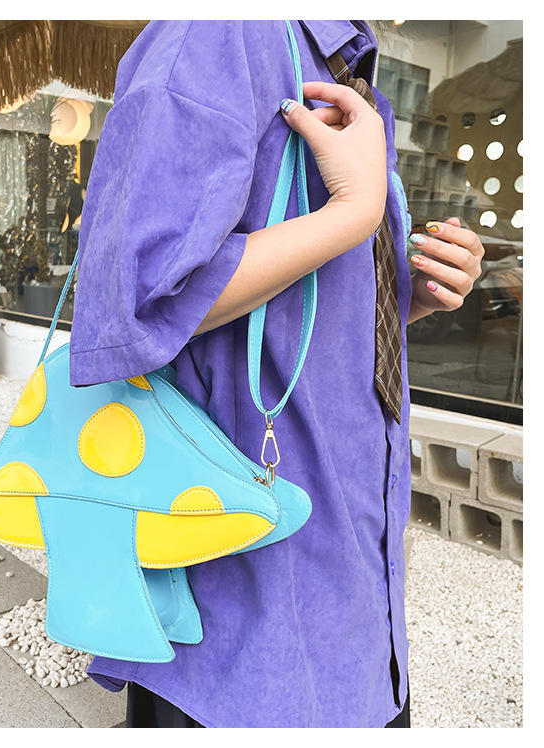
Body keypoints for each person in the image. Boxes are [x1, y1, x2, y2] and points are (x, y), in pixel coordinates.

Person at [67, 20, 485, 728]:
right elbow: (129, 301)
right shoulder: (219, 31)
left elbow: (299, 310)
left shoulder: (349, 67)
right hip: (242, 616)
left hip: (355, 597)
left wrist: (403, 297)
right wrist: (354, 212)